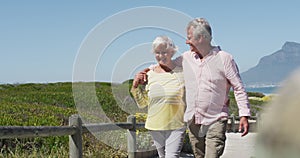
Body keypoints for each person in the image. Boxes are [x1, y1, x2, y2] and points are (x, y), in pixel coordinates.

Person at [135, 18, 251, 158]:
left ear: (201, 38)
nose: (186, 41)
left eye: (189, 37)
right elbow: (165, 65)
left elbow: (238, 88)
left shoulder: (225, 58)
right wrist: (146, 71)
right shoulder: (186, 58)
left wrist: (244, 115)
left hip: (216, 118)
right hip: (193, 120)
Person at [131, 35, 186, 158]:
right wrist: (135, 86)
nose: (161, 56)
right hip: (155, 125)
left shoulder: (182, 72)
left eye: (165, 52)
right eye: (157, 52)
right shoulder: (149, 74)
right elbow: (142, 103)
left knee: (171, 156)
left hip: (177, 124)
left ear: (172, 52)